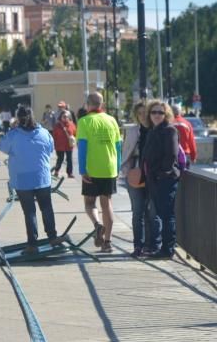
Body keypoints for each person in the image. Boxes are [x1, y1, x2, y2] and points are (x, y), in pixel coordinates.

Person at [0, 105, 59, 254]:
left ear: (18, 119)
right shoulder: (44, 133)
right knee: (46, 207)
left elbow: (1, 147)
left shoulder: (13, 135)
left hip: (22, 179)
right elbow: (51, 149)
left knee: (29, 211)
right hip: (42, 177)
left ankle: (32, 244)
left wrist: (12, 129)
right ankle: (52, 237)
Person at [76, 92, 122, 254]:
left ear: (88, 104)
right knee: (107, 204)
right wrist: (117, 167)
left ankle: (97, 224)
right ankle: (108, 242)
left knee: (89, 203)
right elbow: (118, 147)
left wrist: (82, 170)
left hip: (92, 168)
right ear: (101, 104)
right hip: (109, 168)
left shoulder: (84, 121)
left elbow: (82, 147)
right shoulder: (112, 121)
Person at [141, 100, 182, 259]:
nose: (157, 115)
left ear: (166, 115)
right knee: (160, 213)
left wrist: (160, 174)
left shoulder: (169, 130)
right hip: (154, 179)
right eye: (154, 112)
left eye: (160, 112)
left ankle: (168, 249)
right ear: (149, 114)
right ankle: (163, 248)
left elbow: (171, 155)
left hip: (166, 179)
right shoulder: (153, 130)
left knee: (167, 214)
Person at [119, 101, 157, 258]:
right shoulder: (133, 131)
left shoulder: (156, 130)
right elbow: (125, 152)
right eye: (139, 113)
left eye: (145, 113)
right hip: (134, 175)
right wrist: (126, 171)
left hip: (152, 177)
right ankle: (138, 246)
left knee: (152, 212)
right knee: (137, 211)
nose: (142, 116)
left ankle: (151, 245)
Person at [51, 111, 76, 178]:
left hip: (68, 145)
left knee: (69, 159)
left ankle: (69, 173)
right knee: (60, 159)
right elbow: (54, 135)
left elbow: (75, 133)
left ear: (69, 117)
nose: (65, 118)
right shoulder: (57, 125)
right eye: (64, 116)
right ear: (61, 117)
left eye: (66, 116)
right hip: (59, 146)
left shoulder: (71, 124)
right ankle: (56, 171)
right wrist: (54, 145)